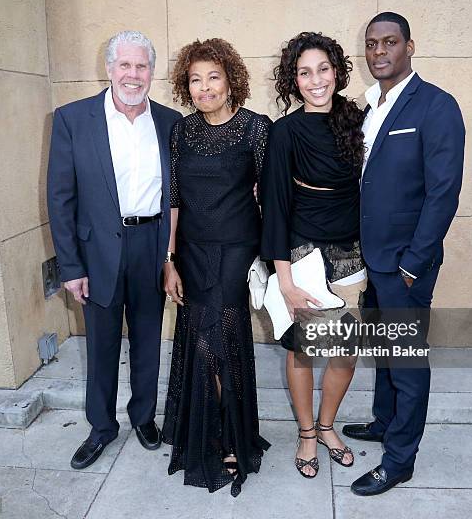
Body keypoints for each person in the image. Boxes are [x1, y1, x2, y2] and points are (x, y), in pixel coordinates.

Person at [342, 12, 465, 496]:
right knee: (384, 352)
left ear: (409, 46)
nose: (378, 52)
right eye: (371, 44)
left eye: (389, 42)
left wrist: (414, 262)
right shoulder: (370, 105)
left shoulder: (436, 106)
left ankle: (399, 461)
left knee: (407, 363)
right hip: (372, 261)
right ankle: (384, 422)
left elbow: (443, 193)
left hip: (405, 265)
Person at [47, 30, 181, 470]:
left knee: (147, 339)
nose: (133, 74)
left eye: (141, 66)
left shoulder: (170, 121)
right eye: (124, 65)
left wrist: (171, 258)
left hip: (151, 244)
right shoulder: (72, 119)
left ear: (152, 72)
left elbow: (179, 196)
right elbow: (60, 197)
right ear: (108, 69)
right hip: (97, 252)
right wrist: (70, 266)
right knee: (101, 345)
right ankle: (101, 427)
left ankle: (143, 417)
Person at [161, 38, 271, 497]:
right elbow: (174, 199)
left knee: (217, 338)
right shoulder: (181, 132)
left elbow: (272, 198)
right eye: (195, 79)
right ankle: (208, 432)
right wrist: (169, 260)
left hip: (236, 250)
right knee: (199, 336)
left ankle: (228, 437)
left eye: (213, 77)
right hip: (191, 250)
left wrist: (275, 258)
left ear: (231, 80)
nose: (205, 87)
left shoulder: (256, 129)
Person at [261, 32, 367, 479]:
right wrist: (284, 281)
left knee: (346, 351)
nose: (315, 80)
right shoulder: (284, 132)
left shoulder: (357, 119)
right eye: (304, 72)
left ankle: (327, 426)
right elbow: (276, 207)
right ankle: (306, 432)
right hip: (303, 252)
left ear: (337, 71)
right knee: (303, 350)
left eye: (323, 69)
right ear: (294, 79)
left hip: (351, 252)